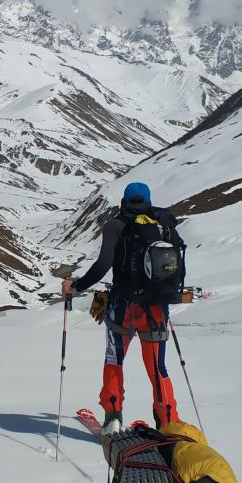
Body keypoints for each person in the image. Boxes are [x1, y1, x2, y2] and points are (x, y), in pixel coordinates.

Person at [62, 182, 181, 435]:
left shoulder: (116, 226)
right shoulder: (163, 225)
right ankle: (168, 419)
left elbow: (103, 264)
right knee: (158, 367)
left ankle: (113, 417)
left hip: (123, 307)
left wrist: (77, 286)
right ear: (148, 201)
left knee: (114, 359)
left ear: (124, 201)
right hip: (156, 310)